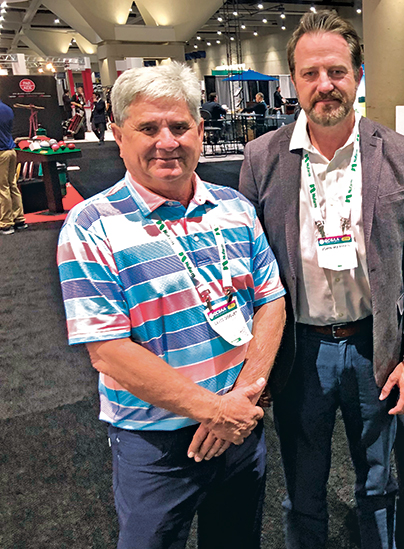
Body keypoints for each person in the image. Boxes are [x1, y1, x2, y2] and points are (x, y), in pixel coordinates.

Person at [56, 62, 287, 548]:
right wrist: (213, 410)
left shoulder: (235, 207)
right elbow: (109, 351)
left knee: (237, 539)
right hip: (154, 444)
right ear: (118, 136)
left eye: (180, 126)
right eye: (148, 127)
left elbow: (271, 301)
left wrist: (238, 402)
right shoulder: (91, 226)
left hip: (239, 428)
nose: (167, 140)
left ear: (200, 132)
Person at [239, 10, 404, 549]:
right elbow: (249, 271)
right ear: (294, 81)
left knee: (377, 482)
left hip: (376, 348)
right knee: (302, 488)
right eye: (310, 74)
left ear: (357, 74)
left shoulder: (398, 154)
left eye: (336, 71)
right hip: (299, 351)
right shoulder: (262, 158)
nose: (324, 85)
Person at [0, 98, 25, 235]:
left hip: (1, 152)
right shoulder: (7, 109)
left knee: (2, 187)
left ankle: (6, 223)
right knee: (12, 185)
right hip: (11, 151)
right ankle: (19, 219)